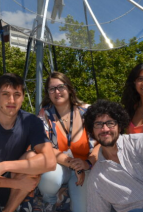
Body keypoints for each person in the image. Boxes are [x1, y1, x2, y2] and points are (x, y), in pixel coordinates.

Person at [0, 73, 57, 212]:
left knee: (32, 157)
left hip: (16, 186)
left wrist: (3, 166)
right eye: (5, 94)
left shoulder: (31, 122)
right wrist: (17, 183)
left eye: (17, 94)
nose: (11, 100)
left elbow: (50, 162)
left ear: (23, 97)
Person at [37, 72, 96, 212]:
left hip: (86, 167)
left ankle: (64, 196)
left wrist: (86, 164)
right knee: (49, 180)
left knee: (81, 209)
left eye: (61, 87)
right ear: (48, 93)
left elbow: (100, 144)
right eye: (52, 89)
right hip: (60, 166)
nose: (57, 92)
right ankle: (49, 202)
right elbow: (46, 148)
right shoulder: (44, 115)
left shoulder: (88, 112)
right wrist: (75, 165)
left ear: (69, 89)